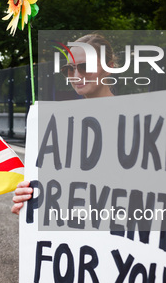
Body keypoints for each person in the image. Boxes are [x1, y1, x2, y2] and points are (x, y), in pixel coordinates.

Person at [12, 34, 115, 213]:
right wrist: (29, 199)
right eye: (69, 68)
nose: (76, 75)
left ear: (108, 68)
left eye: (85, 66)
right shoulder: (61, 123)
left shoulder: (135, 119)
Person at [60, 33, 116, 99]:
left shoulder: (124, 108)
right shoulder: (69, 109)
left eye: (85, 67)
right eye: (70, 69)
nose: (76, 76)